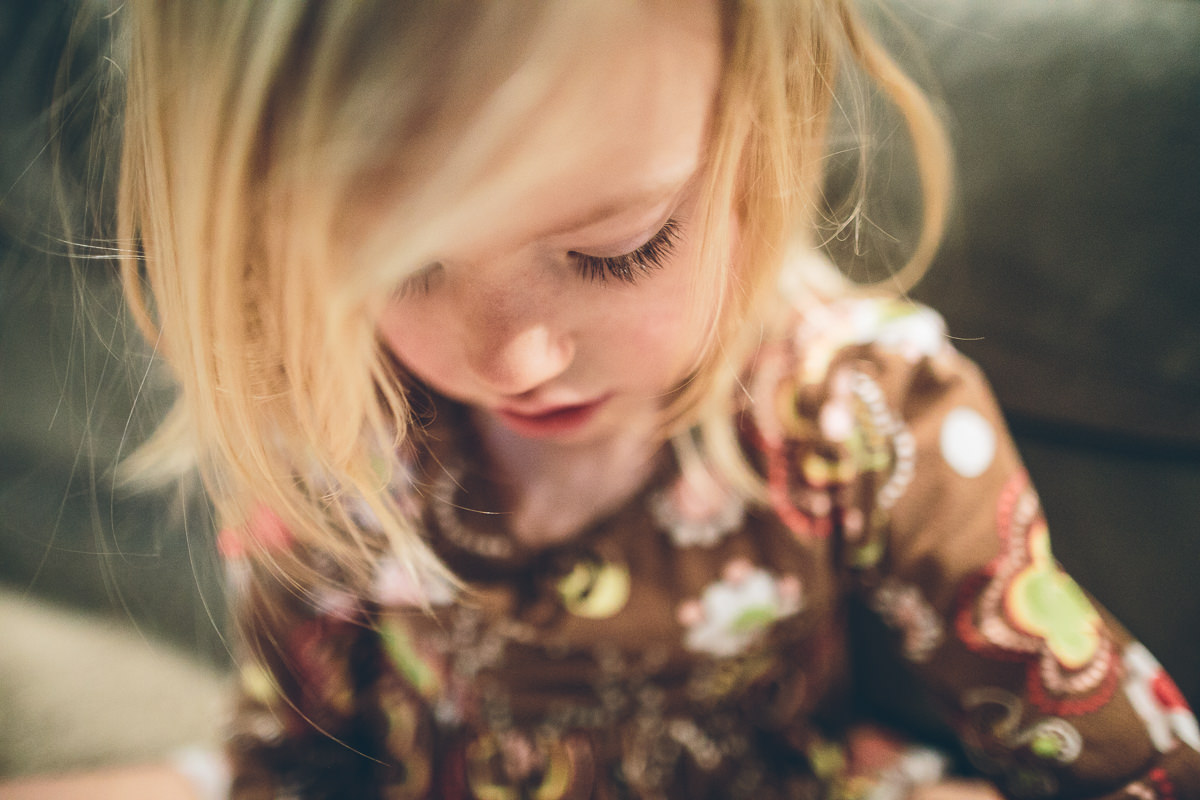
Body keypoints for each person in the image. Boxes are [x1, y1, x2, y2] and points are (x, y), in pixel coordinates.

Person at [9, 1, 1200, 798]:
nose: (517, 358)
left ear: (761, 130)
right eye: (400, 266)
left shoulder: (864, 415)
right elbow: (292, 762)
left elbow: (1131, 761)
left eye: (621, 248)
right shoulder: (334, 424)